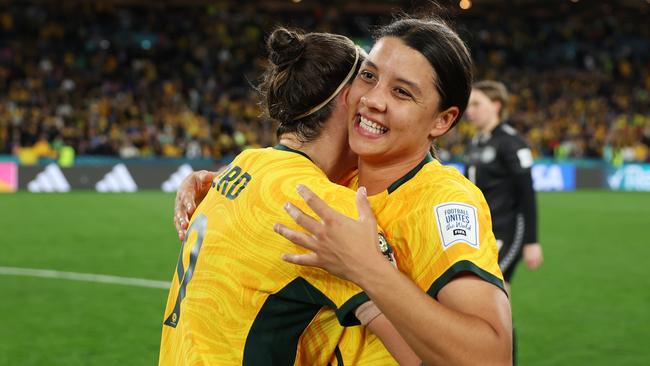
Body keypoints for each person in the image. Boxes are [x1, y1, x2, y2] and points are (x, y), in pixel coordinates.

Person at [177, 17, 513, 365]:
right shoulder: (337, 187)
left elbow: (491, 359)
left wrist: (368, 267)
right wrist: (222, 181)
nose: (373, 99)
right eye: (369, 76)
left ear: (442, 120)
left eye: (401, 92)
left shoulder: (441, 199)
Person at [160, 27, 419, 365]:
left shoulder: (247, 162)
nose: (376, 100)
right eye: (368, 80)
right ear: (347, 99)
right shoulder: (324, 209)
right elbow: (421, 356)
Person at [464, 80, 543, 363]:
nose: (469, 111)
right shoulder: (476, 143)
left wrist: (531, 242)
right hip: (479, 236)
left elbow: (527, 195)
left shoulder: (511, 142)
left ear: (496, 105)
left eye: (477, 104)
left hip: (506, 235)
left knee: (497, 303)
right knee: (478, 305)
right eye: (469, 104)